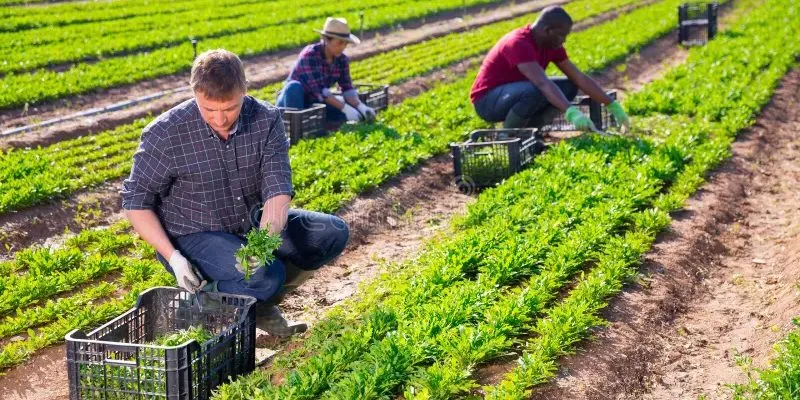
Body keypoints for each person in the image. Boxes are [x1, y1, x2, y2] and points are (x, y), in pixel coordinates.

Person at [121, 49, 350, 337]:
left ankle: (258, 301)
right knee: (267, 273)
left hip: (249, 223)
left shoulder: (266, 120)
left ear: (244, 90)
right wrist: (174, 256)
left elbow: (277, 190)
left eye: (229, 108)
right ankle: (195, 303)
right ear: (195, 94)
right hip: (192, 236)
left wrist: (263, 244)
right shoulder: (166, 133)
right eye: (209, 109)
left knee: (330, 233)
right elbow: (136, 202)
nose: (220, 119)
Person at [470, 6, 631, 132]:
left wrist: (611, 105)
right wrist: (571, 112)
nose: (563, 41)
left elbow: (578, 77)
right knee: (536, 90)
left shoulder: (551, 45)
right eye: (562, 35)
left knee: (568, 86)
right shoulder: (519, 43)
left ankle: (533, 131)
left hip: (515, 93)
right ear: (547, 30)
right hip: (487, 101)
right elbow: (542, 83)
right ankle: (510, 136)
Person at [276, 17, 376, 128]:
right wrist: (346, 109)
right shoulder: (310, 55)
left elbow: (347, 88)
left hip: (314, 102)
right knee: (294, 86)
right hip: (292, 101)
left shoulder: (342, 60)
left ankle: (312, 125)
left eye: (345, 44)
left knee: (339, 114)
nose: (343, 47)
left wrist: (361, 107)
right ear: (327, 40)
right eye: (340, 43)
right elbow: (320, 91)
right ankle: (294, 127)